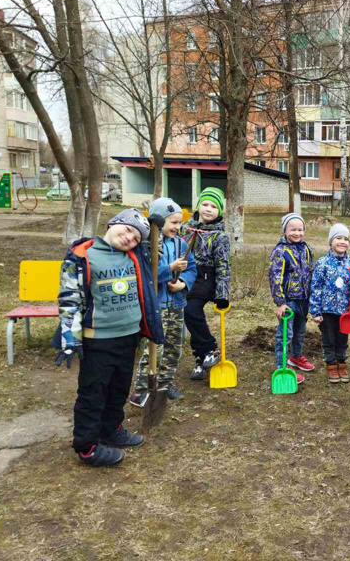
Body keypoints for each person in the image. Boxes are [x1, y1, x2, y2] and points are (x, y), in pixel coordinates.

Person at [53, 209, 164, 467]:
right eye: (126, 230)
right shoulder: (83, 256)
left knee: (118, 389)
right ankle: (87, 446)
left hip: (129, 337)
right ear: (113, 224)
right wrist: (69, 338)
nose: (128, 239)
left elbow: (157, 246)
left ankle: (111, 429)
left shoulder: (136, 255)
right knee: (94, 392)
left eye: (136, 238)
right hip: (98, 339)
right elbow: (70, 300)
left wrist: (155, 225)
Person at [130, 198, 197, 406]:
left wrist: (183, 284)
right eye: (173, 222)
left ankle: (165, 385)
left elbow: (192, 268)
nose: (177, 227)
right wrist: (171, 270)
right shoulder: (147, 245)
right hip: (156, 307)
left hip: (176, 305)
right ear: (157, 223)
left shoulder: (181, 244)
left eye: (179, 222)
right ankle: (141, 390)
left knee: (173, 349)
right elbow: (146, 274)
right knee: (154, 351)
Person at [183, 187, 231, 382]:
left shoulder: (220, 236)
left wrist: (222, 294)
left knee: (191, 311)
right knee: (190, 318)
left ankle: (211, 348)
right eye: (205, 204)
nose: (208, 209)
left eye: (213, 206)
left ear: (219, 211)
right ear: (198, 206)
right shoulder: (184, 229)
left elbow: (223, 266)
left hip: (206, 278)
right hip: (185, 277)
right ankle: (201, 359)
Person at [309, 224, 350, 384]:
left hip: (345, 312)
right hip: (327, 310)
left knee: (342, 339)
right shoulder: (322, 263)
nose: (342, 242)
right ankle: (331, 365)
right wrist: (316, 311)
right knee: (328, 338)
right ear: (331, 241)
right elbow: (316, 287)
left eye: (346, 239)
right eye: (338, 238)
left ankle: (342, 362)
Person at [269, 213, 315, 384]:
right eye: (293, 229)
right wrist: (280, 303)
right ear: (285, 230)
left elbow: (311, 272)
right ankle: (281, 365)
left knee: (300, 332)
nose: (297, 233)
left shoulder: (306, 249)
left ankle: (295, 356)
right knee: (285, 334)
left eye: (300, 229)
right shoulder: (280, 251)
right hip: (288, 302)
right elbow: (275, 278)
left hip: (304, 300)